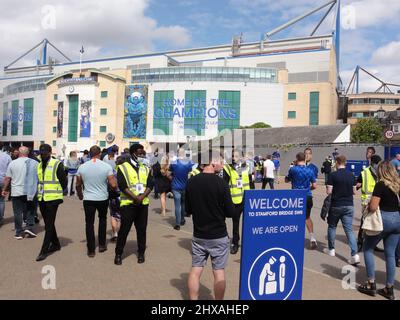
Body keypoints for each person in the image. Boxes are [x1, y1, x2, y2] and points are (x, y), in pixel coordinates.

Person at [186, 150, 235, 300]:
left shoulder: (191, 182)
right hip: (218, 236)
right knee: (219, 272)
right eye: (221, 160)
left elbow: (187, 210)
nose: (223, 163)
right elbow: (230, 212)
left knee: (195, 270)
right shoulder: (221, 183)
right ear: (212, 162)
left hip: (199, 234)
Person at [357, 161, 400, 300]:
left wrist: (368, 205)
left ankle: (371, 283)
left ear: (381, 171)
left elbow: (374, 207)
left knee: (368, 248)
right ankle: (389, 288)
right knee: (391, 254)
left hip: (383, 220)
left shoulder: (380, 185)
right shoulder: (397, 185)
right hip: (397, 220)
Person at [114, 144, 154, 265]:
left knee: (141, 230)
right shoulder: (122, 167)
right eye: (140, 153)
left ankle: (141, 253)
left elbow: (150, 185)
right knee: (124, 230)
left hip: (143, 204)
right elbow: (122, 186)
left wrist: (142, 197)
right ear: (133, 153)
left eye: (143, 154)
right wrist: (135, 197)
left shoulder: (146, 168)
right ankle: (118, 254)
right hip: (128, 204)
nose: (142, 156)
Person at [76, 146, 118, 257]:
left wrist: (80, 195)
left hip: (88, 198)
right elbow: (113, 184)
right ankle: (102, 245)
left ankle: (90, 249)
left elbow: (78, 184)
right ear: (99, 154)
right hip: (102, 198)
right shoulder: (106, 166)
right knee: (102, 220)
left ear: (90, 154)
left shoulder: (82, 167)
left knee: (89, 223)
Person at [324, 155, 360, 265]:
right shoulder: (351, 175)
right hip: (349, 205)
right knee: (349, 230)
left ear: (337, 162)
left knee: (332, 226)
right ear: (345, 162)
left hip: (336, 205)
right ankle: (355, 254)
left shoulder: (333, 175)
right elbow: (354, 192)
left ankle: (331, 249)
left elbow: (329, 191)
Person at [35, 144, 68, 262]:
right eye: (41, 153)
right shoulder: (39, 165)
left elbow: (64, 182)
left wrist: (58, 191)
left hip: (53, 199)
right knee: (49, 223)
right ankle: (56, 244)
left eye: (45, 153)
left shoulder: (56, 164)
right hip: (42, 198)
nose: (43, 155)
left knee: (48, 225)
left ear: (50, 152)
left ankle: (43, 251)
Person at [1, 146, 38, 239]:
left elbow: (8, 178)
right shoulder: (35, 163)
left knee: (17, 212)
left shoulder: (13, 163)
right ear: (28, 152)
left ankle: (18, 232)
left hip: (16, 191)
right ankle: (29, 227)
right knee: (30, 209)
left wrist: (4, 190)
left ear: (19, 153)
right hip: (30, 190)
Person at [286, 152, 318, 249]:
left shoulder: (293, 169)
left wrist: (291, 167)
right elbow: (314, 185)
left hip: (296, 196)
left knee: (295, 217)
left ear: (296, 158)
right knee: (307, 217)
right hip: (307, 195)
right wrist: (308, 189)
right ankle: (312, 237)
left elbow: (287, 180)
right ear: (305, 159)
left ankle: (295, 238)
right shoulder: (310, 170)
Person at [223, 149, 250, 255]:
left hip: (246, 198)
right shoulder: (228, 167)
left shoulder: (246, 167)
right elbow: (224, 185)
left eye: (237, 156)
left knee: (248, 223)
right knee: (235, 223)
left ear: (241, 157)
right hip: (235, 199)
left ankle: (247, 242)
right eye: (233, 156)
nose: (234, 158)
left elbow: (250, 182)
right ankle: (235, 243)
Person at [356, 155, 382, 252]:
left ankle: (373, 243)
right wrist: (358, 185)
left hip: (379, 200)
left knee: (377, 223)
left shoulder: (380, 173)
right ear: (374, 163)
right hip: (367, 201)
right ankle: (360, 243)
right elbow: (357, 185)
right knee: (364, 223)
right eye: (378, 163)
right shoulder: (364, 173)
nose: (379, 165)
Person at [169, 148, 193, 230]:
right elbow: (190, 170)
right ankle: (182, 219)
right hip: (185, 186)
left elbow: (170, 170)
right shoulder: (188, 163)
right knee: (183, 204)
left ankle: (178, 224)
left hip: (175, 186)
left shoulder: (174, 163)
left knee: (177, 205)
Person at [109, 156, 123, 243]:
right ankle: (121, 234)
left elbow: (110, 183)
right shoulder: (126, 171)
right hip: (124, 196)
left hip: (113, 196)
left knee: (113, 215)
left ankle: (115, 233)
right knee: (122, 216)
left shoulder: (112, 172)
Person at [0, 142, 12, 225]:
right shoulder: (7, 157)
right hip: (3, 180)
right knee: (1, 200)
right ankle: (0, 219)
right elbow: (10, 170)